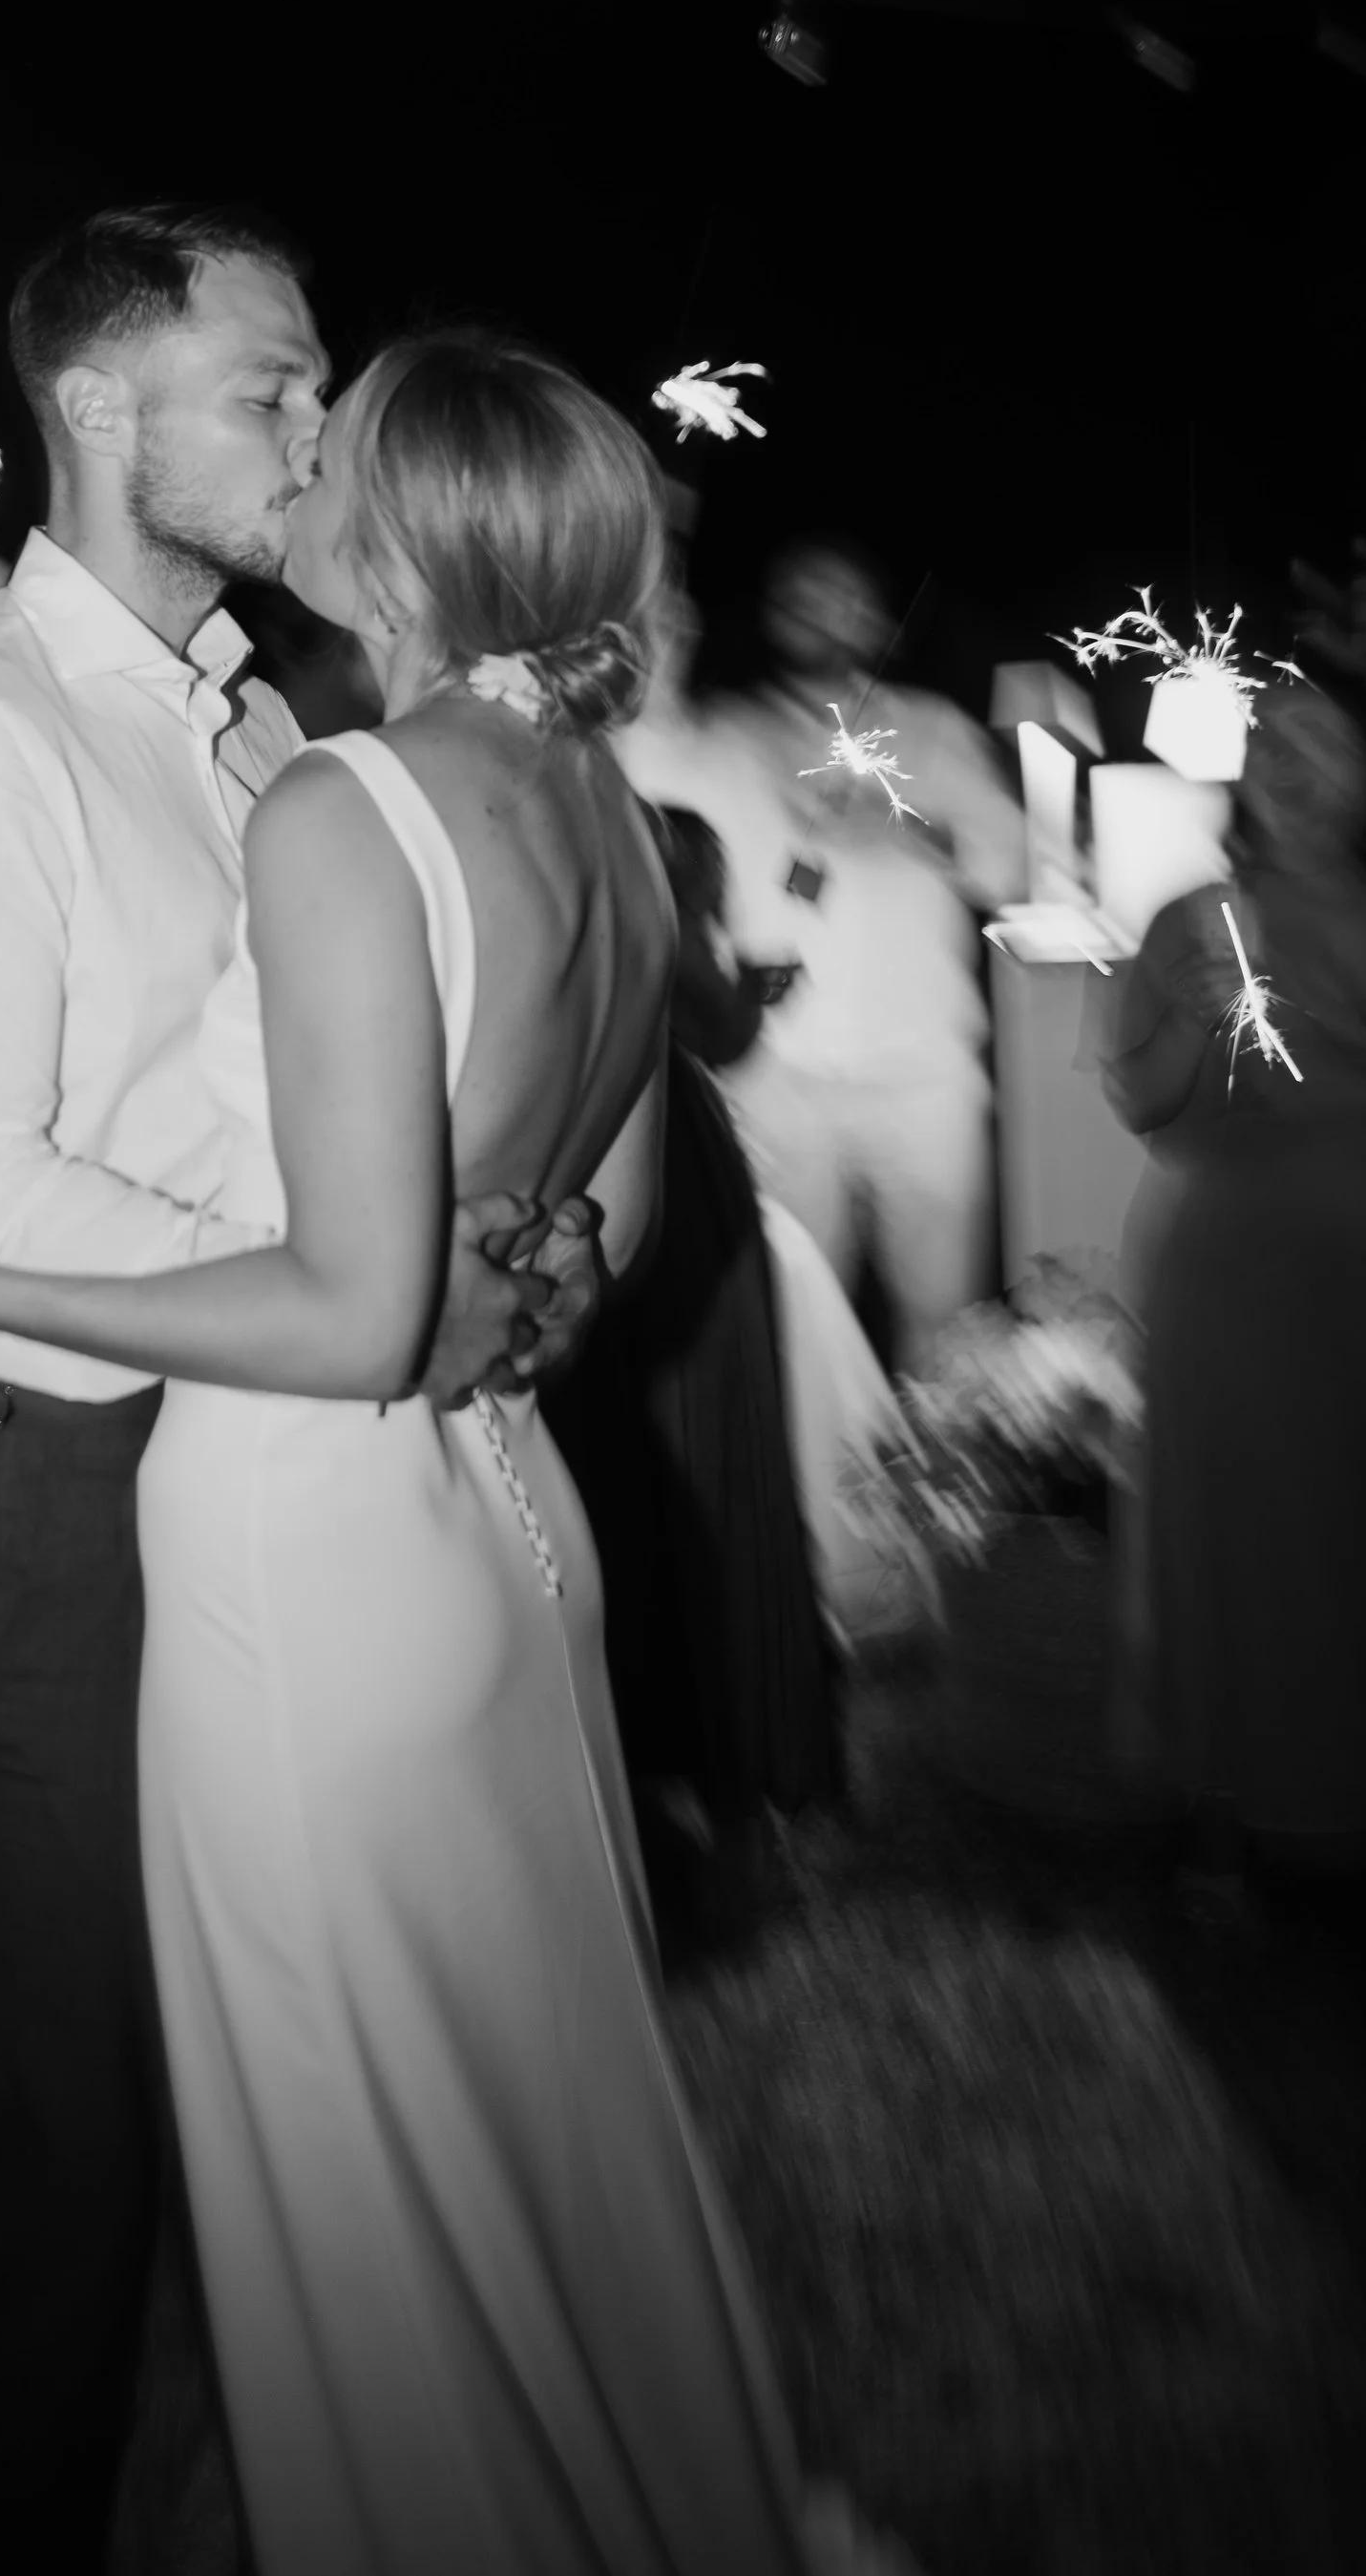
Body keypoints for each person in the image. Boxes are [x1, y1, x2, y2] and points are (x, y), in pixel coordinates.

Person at [0, 327, 914, 2576]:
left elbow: (352, 1310)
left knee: (352, 2177)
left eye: (333, 437)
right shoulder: (606, 817)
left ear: (403, 537)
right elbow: (598, 1244)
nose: (301, 455)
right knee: (527, 2104)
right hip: (508, 1530)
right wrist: (482, 1283)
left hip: (302, 1552)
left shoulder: (346, 801)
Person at [0, 212, 567, 2574]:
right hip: (35, 1480)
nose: (320, 434)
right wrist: (358, 1294)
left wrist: (479, 1242)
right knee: (73, 2127)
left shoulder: (252, 723)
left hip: (257, 1463)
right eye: (274, 387)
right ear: (98, 406)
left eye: (320, 386)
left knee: (263, 2072)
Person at [544, 795, 844, 1952]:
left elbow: (708, 1018)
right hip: (644, 1192)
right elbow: (716, 1022)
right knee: (680, 1490)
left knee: (652, 1495)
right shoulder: (626, 855)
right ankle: (711, 1811)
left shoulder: (595, 855)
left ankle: (696, 1814)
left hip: (631, 1194)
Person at [1102, 683, 1366, 1905]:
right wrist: (1197, 1018)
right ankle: (1222, 1811)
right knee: (1226, 1537)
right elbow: (1143, 1103)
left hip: (1361, 1273)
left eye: (1325, 743)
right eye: (1274, 746)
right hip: (1228, 1276)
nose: (1295, 767)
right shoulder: (1193, 916)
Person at [624, 535, 1024, 1369]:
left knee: (948, 1322)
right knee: (800, 1324)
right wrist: (660, 646)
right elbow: (646, 761)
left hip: (926, 1072)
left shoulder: (936, 731)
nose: (821, 612)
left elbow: (1013, 864)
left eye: (842, 596)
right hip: (784, 1072)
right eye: (802, 594)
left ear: (879, 622)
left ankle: (953, 1456)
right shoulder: (730, 734)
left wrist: (907, 824)